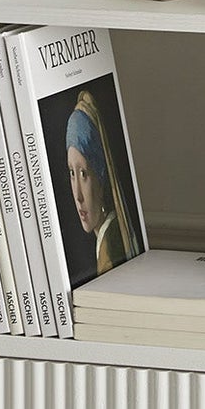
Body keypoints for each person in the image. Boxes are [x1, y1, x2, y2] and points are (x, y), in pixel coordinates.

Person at [65, 88, 134, 275]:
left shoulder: (111, 248)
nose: (78, 196)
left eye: (84, 174)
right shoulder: (106, 239)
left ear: (101, 176)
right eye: (72, 173)